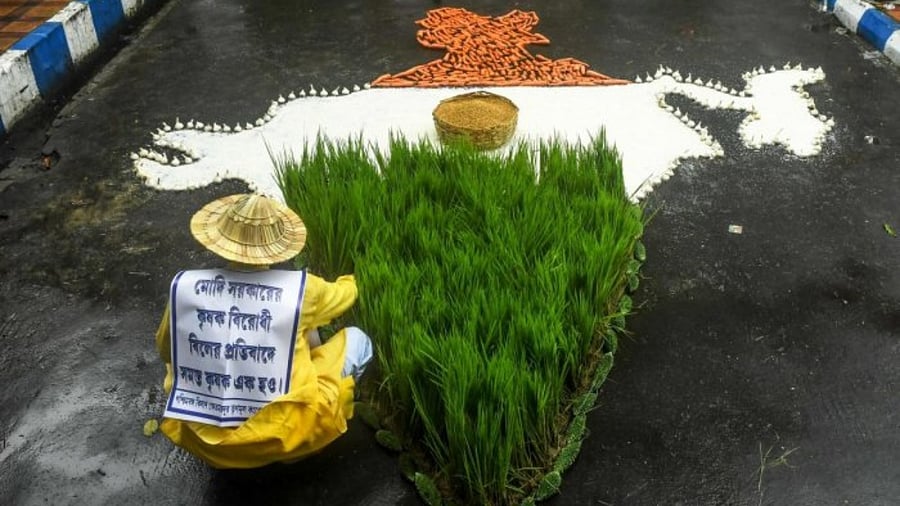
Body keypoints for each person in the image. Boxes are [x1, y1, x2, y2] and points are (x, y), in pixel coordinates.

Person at [154, 193, 373, 468]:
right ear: (278, 245)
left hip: (206, 444)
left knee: (179, 360)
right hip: (286, 434)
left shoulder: (185, 288)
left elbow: (166, 351)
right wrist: (358, 273)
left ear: (221, 240)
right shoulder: (303, 290)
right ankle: (302, 444)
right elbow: (347, 294)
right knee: (358, 340)